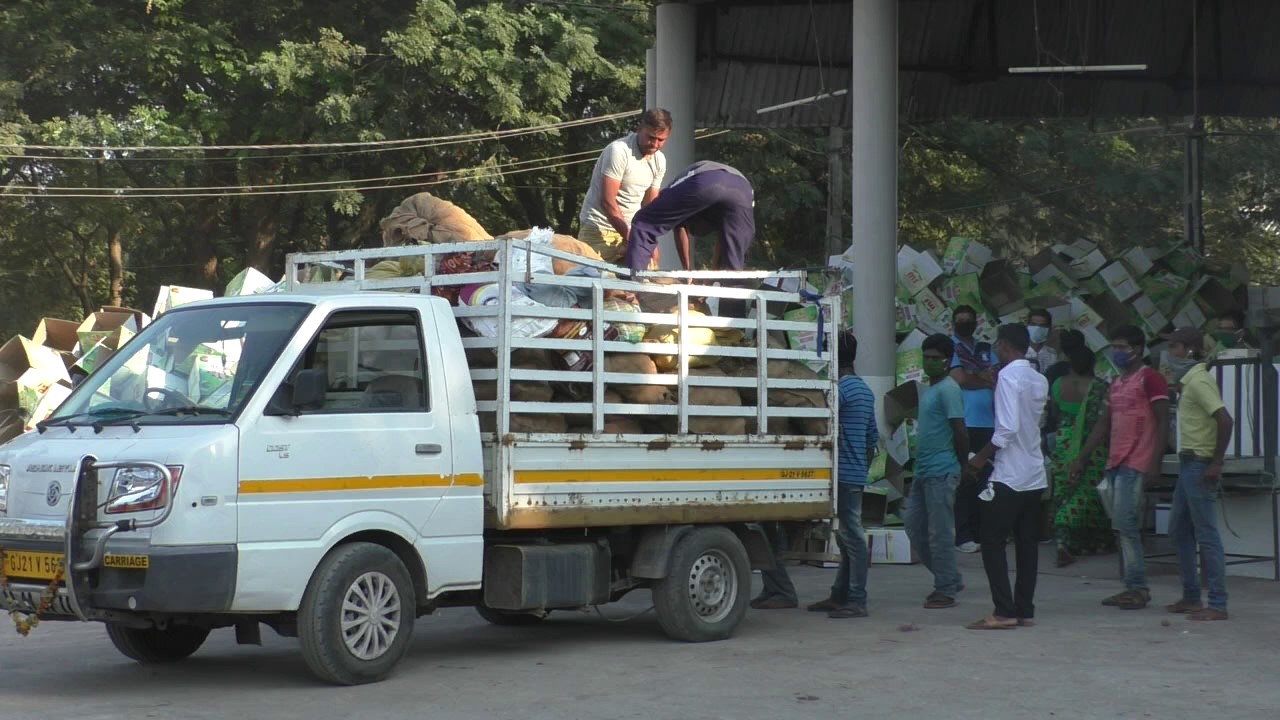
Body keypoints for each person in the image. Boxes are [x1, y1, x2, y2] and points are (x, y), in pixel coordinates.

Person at [753, 332, 878, 617]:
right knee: (847, 540)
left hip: (842, 474)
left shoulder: (839, 392)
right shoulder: (865, 391)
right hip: (855, 472)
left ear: (833, 355)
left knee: (853, 538)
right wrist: (861, 468)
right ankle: (840, 595)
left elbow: (821, 427)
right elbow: (872, 437)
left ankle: (857, 600)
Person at [1072, 325, 1170, 611]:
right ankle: (1132, 586)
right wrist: (1083, 456)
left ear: (1137, 349)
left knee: (1126, 527)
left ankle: (1137, 587)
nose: (1117, 352)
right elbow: (1104, 423)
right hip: (1116, 462)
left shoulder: (1150, 379)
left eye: (1121, 347)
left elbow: (1162, 420)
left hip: (1136, 461)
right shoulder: (1116, 382)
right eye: (1114, 347)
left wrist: (1155, 462)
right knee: (1122, 527)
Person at [965, 324, 1049, 630]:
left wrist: (979, 458)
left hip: (1010, 473)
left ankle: (1003, 610)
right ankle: (1024, 608)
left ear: (1002, 345)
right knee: (1027, 544)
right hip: (1035, 472)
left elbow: (1007, 429)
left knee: (992, 540)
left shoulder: (1008, 377)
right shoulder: (1038, 379)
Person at [1163, 327, 1234, 622]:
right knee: (1179, 529)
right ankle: (1192, 596)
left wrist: (1216, 462)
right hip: (1190, 463)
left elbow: (1225, 419)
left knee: (1206, 535)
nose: (1171, 353)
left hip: (1199, 463)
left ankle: (1217, 603)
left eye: (1176, 347)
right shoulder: (1190, 380)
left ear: (1190, 349)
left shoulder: (1198, 381)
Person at [904, 334, 968, 608]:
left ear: (946, 361)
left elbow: (961, 432)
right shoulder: (931, 390)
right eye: (926, 357)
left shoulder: (949, 389)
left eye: (934, 358)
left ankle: (945, 588)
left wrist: (963, 467)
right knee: (914, 528)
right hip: (924, 470)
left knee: (939, 533)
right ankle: (950, 577)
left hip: (942, 470)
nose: (929, 362)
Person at [577, 109, 671, 267]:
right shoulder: (619, 151)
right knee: (597, 286)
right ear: (639, 128)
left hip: (632, 232)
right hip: (599, 229)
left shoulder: (659, 161)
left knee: (646, 283)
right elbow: (608, 201)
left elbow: (650, 207)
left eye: (661, 140)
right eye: (651, 138)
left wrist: (649, 240)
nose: (655, 145)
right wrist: (633, 239)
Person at [1047, 346, 1113, 568]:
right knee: (1087, 493)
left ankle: (1064, 539)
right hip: (1093, 445)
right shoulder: (1100, 388)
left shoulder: (1057, 385)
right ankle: (1082, 540)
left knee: (1065, 489)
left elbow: (1054, 413)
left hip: (1064, 441)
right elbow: (1105, 419)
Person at [623, 161, 755, 273]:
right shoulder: (717, 214)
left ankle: (633, 290)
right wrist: (710, 280)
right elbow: (725, 243)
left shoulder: (678, 191)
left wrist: (688, 272)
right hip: (743, 190)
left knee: (644, 222)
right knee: (734, 265)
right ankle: (733, 302)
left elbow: (680, 229)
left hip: (707, 179)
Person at [949, 305, 994, 554]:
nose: (965, 323)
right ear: (953, 323)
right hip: (965, 423)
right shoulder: (951, 347)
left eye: (969, 320)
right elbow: (961, 379)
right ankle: (963, 534)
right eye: (960, 320)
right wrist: (981, 377)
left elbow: (997, 375)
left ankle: (980, 532)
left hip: (989, 425)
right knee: (966, 481)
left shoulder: (985, 348)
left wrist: (977, 375)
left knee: (985, 482)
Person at [1025, 308, 1059, 373]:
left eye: (1042, 326)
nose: (1037, 328)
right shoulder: (1019, 352)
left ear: (1048, 329)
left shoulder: (1052, 354)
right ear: (1027, 326)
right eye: (1033, 324)